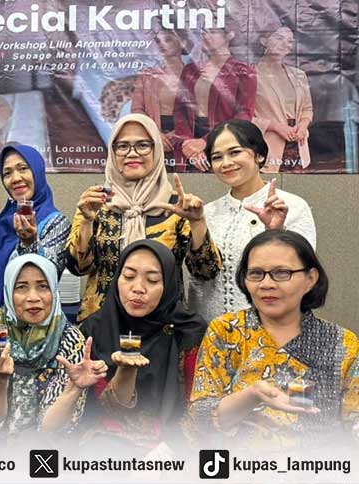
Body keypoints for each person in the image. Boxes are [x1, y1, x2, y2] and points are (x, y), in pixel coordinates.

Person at [189, 230, 359, 449]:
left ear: (310, 279)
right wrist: (253, 395)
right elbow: (200, 417)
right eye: (256, 273)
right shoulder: (226, 331)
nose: (266, 284)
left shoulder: (341, 342)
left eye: (281, 273)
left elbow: (354, 419)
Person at [67, 113, 221, 322]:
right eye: (123, 146)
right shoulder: (96, 203)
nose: (132, 153)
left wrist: (197, 222)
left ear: (157, 150)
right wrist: (86, 222)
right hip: (101, 325)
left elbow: (206, 272)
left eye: (142, 145)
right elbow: (77, 268)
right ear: (112, 152)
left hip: (163, 328)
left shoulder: (176, 207)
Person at [81, 240, 207, 449]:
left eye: (152, 280)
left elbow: (198, 406)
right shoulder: (95, 329)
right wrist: (125, 372)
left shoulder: (189, 331)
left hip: (173, 443)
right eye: (129, 276)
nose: (138, 288)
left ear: (168, 285)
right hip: (107, 441)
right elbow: (96, 412)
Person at [189, 120, 316, 321]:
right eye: (217, 157)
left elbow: (300, 274)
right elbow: (198, 277)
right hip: (210, 330)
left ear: (259, 155)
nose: (226, 163)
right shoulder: (205, 213)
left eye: (235, 152)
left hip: (270, 328)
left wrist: (275, 231)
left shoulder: (291, 206)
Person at [0, 254, 107, 436]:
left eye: (43, 286)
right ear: (8, 292)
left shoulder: (70, 340)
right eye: (21, 287)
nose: (33, 297)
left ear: (54, 290)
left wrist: (74, 389)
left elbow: (49, 429)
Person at [0, 144, 70, 314]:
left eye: (23, 169)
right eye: (7, 173)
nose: (15, 178)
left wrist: (30, 243)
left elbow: (50, 273)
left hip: (32, 321)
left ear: (37, 172)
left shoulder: (56, 223)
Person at [174, 23, 257, 172]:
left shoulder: (243, 71)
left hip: (225, 140)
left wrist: (206, 141)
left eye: (212, 31)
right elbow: (180, 109)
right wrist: (187, 142)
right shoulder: (191, 70)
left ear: (229, 35)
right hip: (190, 144)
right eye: (204, 32)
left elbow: (244, 114)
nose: (206, 36)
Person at [252, 26, 314, 172]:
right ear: (263, 41)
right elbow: (241, 116)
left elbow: (307, 108)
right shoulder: (250, 74)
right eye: (279, 38)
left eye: (290, 41)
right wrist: (275, 126)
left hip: (298, 147)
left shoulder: (299, 75)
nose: (285, 44)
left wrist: (303, 125)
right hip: (266, 148)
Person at [132, 28, 188, 162]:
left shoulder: (195, 76)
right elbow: (137, 109)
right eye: (158, 41)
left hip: (188, 140)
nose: (162, 44)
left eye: (167, 40)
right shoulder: (147, 76)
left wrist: (179, 133)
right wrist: (155, 132)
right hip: (153, 137)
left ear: (183, 43)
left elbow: (202, 113)